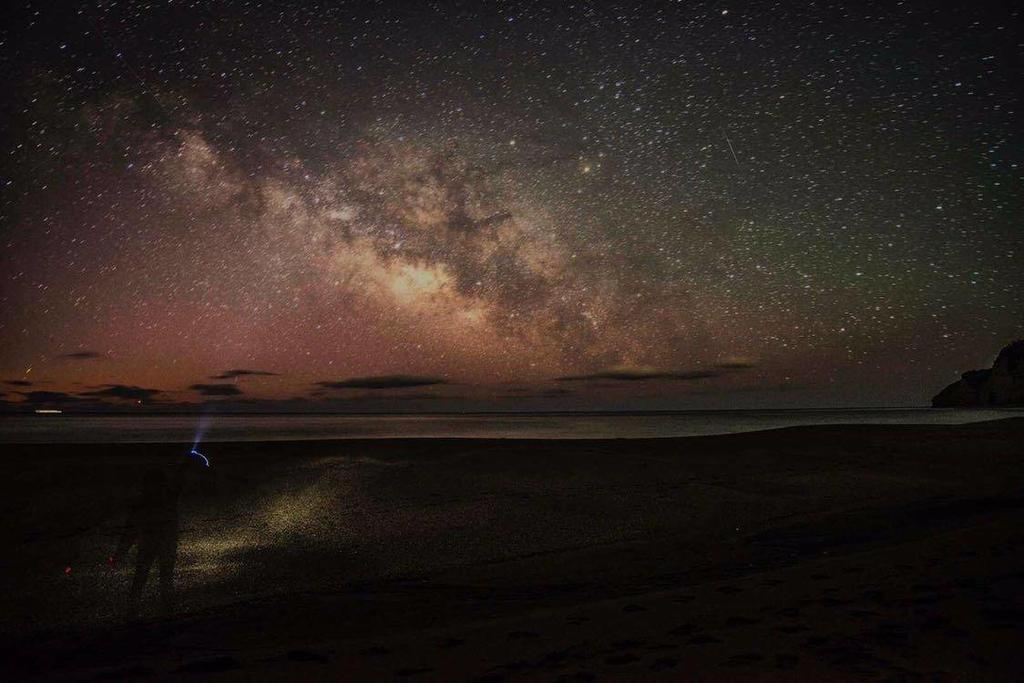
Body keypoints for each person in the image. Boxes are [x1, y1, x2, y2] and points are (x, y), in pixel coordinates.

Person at [112, 461, 188, 619]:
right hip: (154, 546)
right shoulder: (160, 501)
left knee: (157, 579)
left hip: (160, 546)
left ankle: (160, 611)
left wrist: (121, 552)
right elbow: (130, 531)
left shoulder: (164, 500)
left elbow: (130, 531)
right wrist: (121, 552)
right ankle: (140, 612)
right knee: (145, 579)